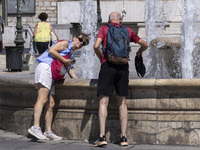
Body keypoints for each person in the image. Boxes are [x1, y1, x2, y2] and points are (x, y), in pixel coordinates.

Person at [93, 11, 148, 147]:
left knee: (103, 101)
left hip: (108, 66)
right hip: (123, 67)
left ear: (110, 20)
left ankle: (101, 136)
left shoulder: (104, 29)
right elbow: (145, 44)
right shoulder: (127, 30)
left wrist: (101, 58)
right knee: (122, 102)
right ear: (120, 20)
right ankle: (123, 137)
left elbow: (95, 46)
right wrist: (139, 52)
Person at [28, 32, 90, 140]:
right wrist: (64, 60)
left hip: (52, 75)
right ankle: (35, 127)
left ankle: (48, 131)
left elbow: (71, 70)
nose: (80, 43)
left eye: (83, 43)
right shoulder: (65, 43)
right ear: (74, 38)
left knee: (51, 104)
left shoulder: (70, 53)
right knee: (42, 99)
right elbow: (52, 50)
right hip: (45, 68)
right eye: (80, 40)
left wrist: (78, 81)